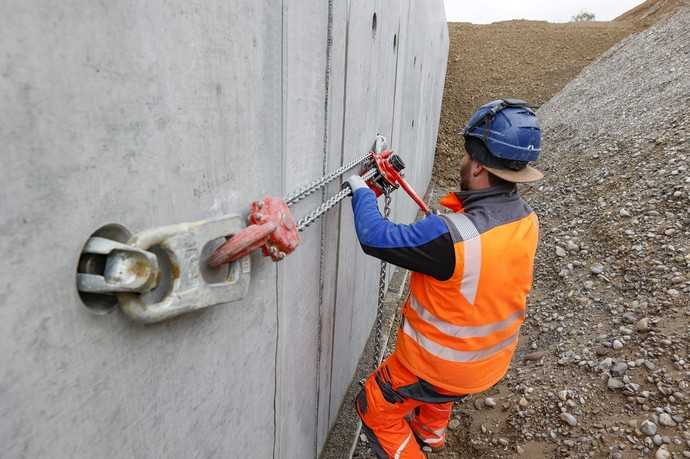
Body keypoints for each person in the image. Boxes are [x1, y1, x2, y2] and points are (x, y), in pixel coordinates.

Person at [345, 99, 543, 458]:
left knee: (373, 407)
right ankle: (431, 435)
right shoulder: (526, 220)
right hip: (486, 364)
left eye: (467, 157)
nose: (463, 162)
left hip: (439, 367)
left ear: (479, 167)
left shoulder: (450, 237)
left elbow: (376, 237)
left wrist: (361, 193)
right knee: (439, 388)